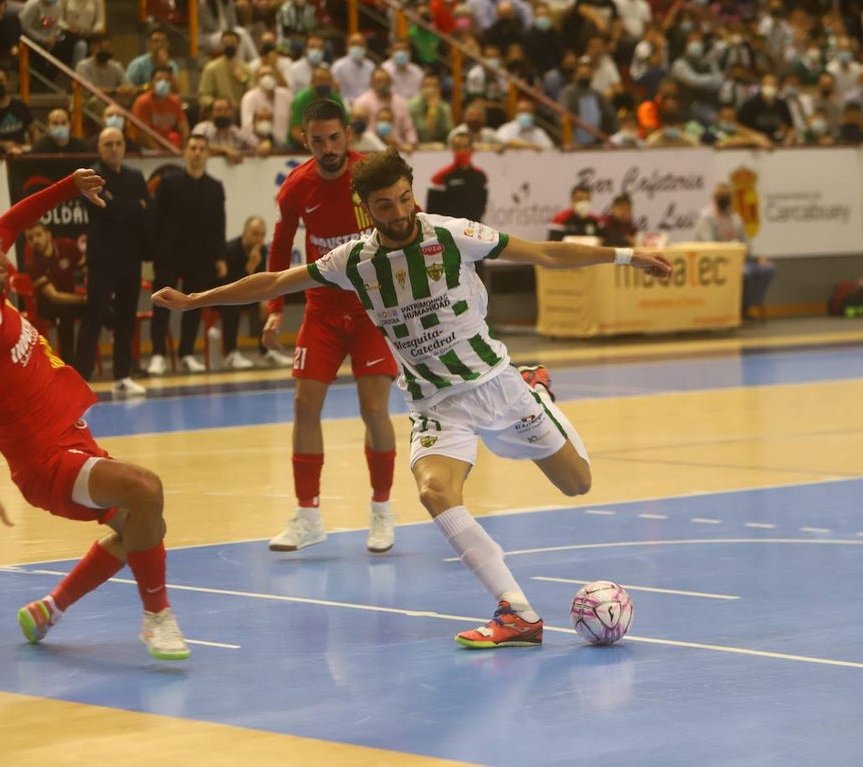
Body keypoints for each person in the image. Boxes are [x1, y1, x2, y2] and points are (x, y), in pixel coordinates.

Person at [152, 149, 672, 648]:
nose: (399, 212)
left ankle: (537, 387)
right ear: (367, 208)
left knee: (578, 484)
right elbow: (273, 283)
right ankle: (516, 612)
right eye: (385, 205)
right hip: (435, 405)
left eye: (404, 198)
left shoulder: (452, 235)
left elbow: (543, 254)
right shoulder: (353, 260)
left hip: (497, 385)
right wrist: (198, 300)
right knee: (434, 492)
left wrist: (627, 256)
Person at [0, 168, 188, 661]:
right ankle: (157, 619)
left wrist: (69, 188)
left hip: (69, 434)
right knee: (146, 490)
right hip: (45, 460)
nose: (3, 257)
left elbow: (15, 219)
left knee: (140, 524)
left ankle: (50, 608)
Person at [260, 99, 399, 554]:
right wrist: (276, 307)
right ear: (306, 141)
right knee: (304, 405)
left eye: (334, 138)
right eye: (317, 141)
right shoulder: (296, 188)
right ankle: (308, 515)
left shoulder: (372, 177)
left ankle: (381, 511)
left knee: (373, 408)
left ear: (348, 135)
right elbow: (279, 250)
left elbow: (407, 228)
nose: (328, 148)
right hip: (320, 310)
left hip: (371, 310)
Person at [73, 128, 150, 395]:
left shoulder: (135, 176)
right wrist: (131, 207)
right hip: (102, 258)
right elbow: (102, 210)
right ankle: (81, 377)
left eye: (118, 143)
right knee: (93, 316)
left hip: (130, 256)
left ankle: (122, 375)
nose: (114, 148)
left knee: (126, 317)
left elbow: (145, 211)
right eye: (108, 144)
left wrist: (123, 207)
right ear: (100, 147)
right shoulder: (91, 176)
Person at [147, 134, 226, 375]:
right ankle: (158, 354)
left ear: (207, 154)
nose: (197, 152)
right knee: (161, 306)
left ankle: (187, 353)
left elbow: (218, 224)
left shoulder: (214, 187)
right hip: (168, 255)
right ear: (185, 152)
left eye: (202, 149)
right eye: (193, 148)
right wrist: (154, 255)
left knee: (193, 305)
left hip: (199, 257)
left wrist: (219, 257)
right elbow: (155, 220)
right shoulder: (168, 183)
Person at [217, 214, 291, 369]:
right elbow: (234, 286)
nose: (259, 239)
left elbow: (260, 282)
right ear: (245, 232)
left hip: (245, 295)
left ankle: (266, 352)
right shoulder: (230, 250)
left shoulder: (262, 251)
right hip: (222, 295)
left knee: (267, 304)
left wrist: (265, 300)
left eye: (262, 235)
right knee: (232, 305)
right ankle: (231, 353)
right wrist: (251, 264)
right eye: (255, 233)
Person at [695, 181, 773, 320]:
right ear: (715, 198)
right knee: (745, 274)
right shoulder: (707, 218)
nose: (724, 199)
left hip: (739, 260)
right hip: (716, 263)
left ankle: (748, 304)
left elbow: (746, 243)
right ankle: (738, 309)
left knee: (766, 268)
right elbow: (709, 246)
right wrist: (731, 250)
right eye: (721, 196)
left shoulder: (735, 218)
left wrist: (756, 257)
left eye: (727, 196)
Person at [23, 220, 86, 366]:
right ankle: (70, 365)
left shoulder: (67, 246)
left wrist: (97, 293)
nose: (35, 241)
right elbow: (54, 296)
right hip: (48, 305)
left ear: (48, 235)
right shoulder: (32, 263)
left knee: (99, 310)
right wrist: (84, 299)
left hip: (72, 299)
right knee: (66, 314)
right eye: (30, 238)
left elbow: (87, 269)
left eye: (38, 235)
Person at [425, 132, 488, 221]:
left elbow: (481, 207)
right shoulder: (440, 177)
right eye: (458, 147)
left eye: (465, 147)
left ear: (471, 149)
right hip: (449, 230)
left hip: (473, 229)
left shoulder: (480, 176)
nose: (461, 151)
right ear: (453, 149)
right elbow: (431, 212)